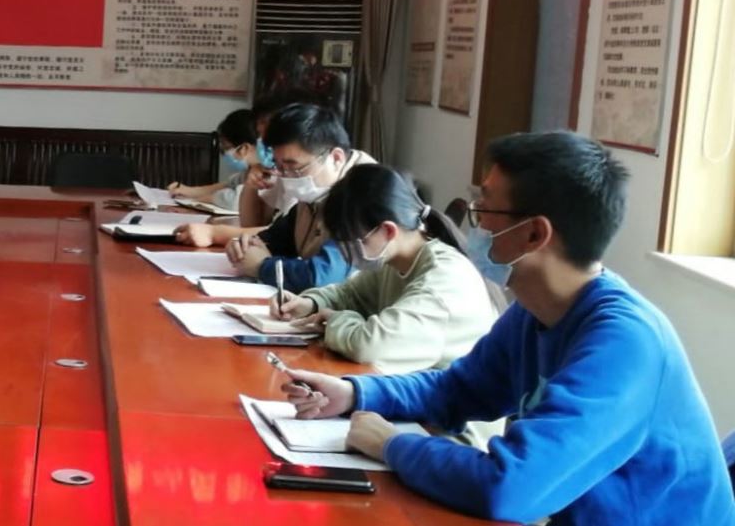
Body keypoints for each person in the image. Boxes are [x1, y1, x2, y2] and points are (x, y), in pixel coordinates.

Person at [279, 132, 735, 525]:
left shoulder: (625, 343)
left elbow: (511, 486)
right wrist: (355, 393)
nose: (473, 224)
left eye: (484, 210)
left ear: (535, 234)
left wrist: (393, 445)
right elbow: (457, 389)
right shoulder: (537, 311)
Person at [273, 164, 500, 374]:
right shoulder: (395, 259)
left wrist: (334, 321)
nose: (347, 253)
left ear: (388, 231)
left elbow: (370, 347)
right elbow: (350, 294)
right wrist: (310, 304)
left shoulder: (444, 280)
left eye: (353, 242)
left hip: (451, 402)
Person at [177, 103, 373, 292]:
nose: (286, 177)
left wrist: (261, 266)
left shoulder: (365, 192)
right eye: (279, 167)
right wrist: (244, 245)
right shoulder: (315, 192)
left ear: (336, 158)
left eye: (293, 167)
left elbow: (322, 277)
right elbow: (276, 239)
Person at [165, 109, 258, 210]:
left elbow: (238, 201)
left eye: (226, 148)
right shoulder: (248, 171)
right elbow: (229, 185)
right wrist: (190, 191)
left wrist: (209, 198)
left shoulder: (264, 174)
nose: (224, 154)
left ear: (244, 148)